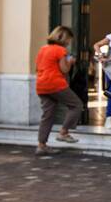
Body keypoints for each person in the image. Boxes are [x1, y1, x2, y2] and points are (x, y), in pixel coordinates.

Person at [35, 26, 83, 156]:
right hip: (55, 83)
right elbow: (64, 70)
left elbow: (38, 67)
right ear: (62, 37)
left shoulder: (43, 49)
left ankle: (41, 145)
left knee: (47, 115)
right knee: (76, 105)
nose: (68, 42)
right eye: (68, 39)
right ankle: (64, 132)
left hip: (41, 84)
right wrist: (70, 62)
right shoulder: (60, 50)